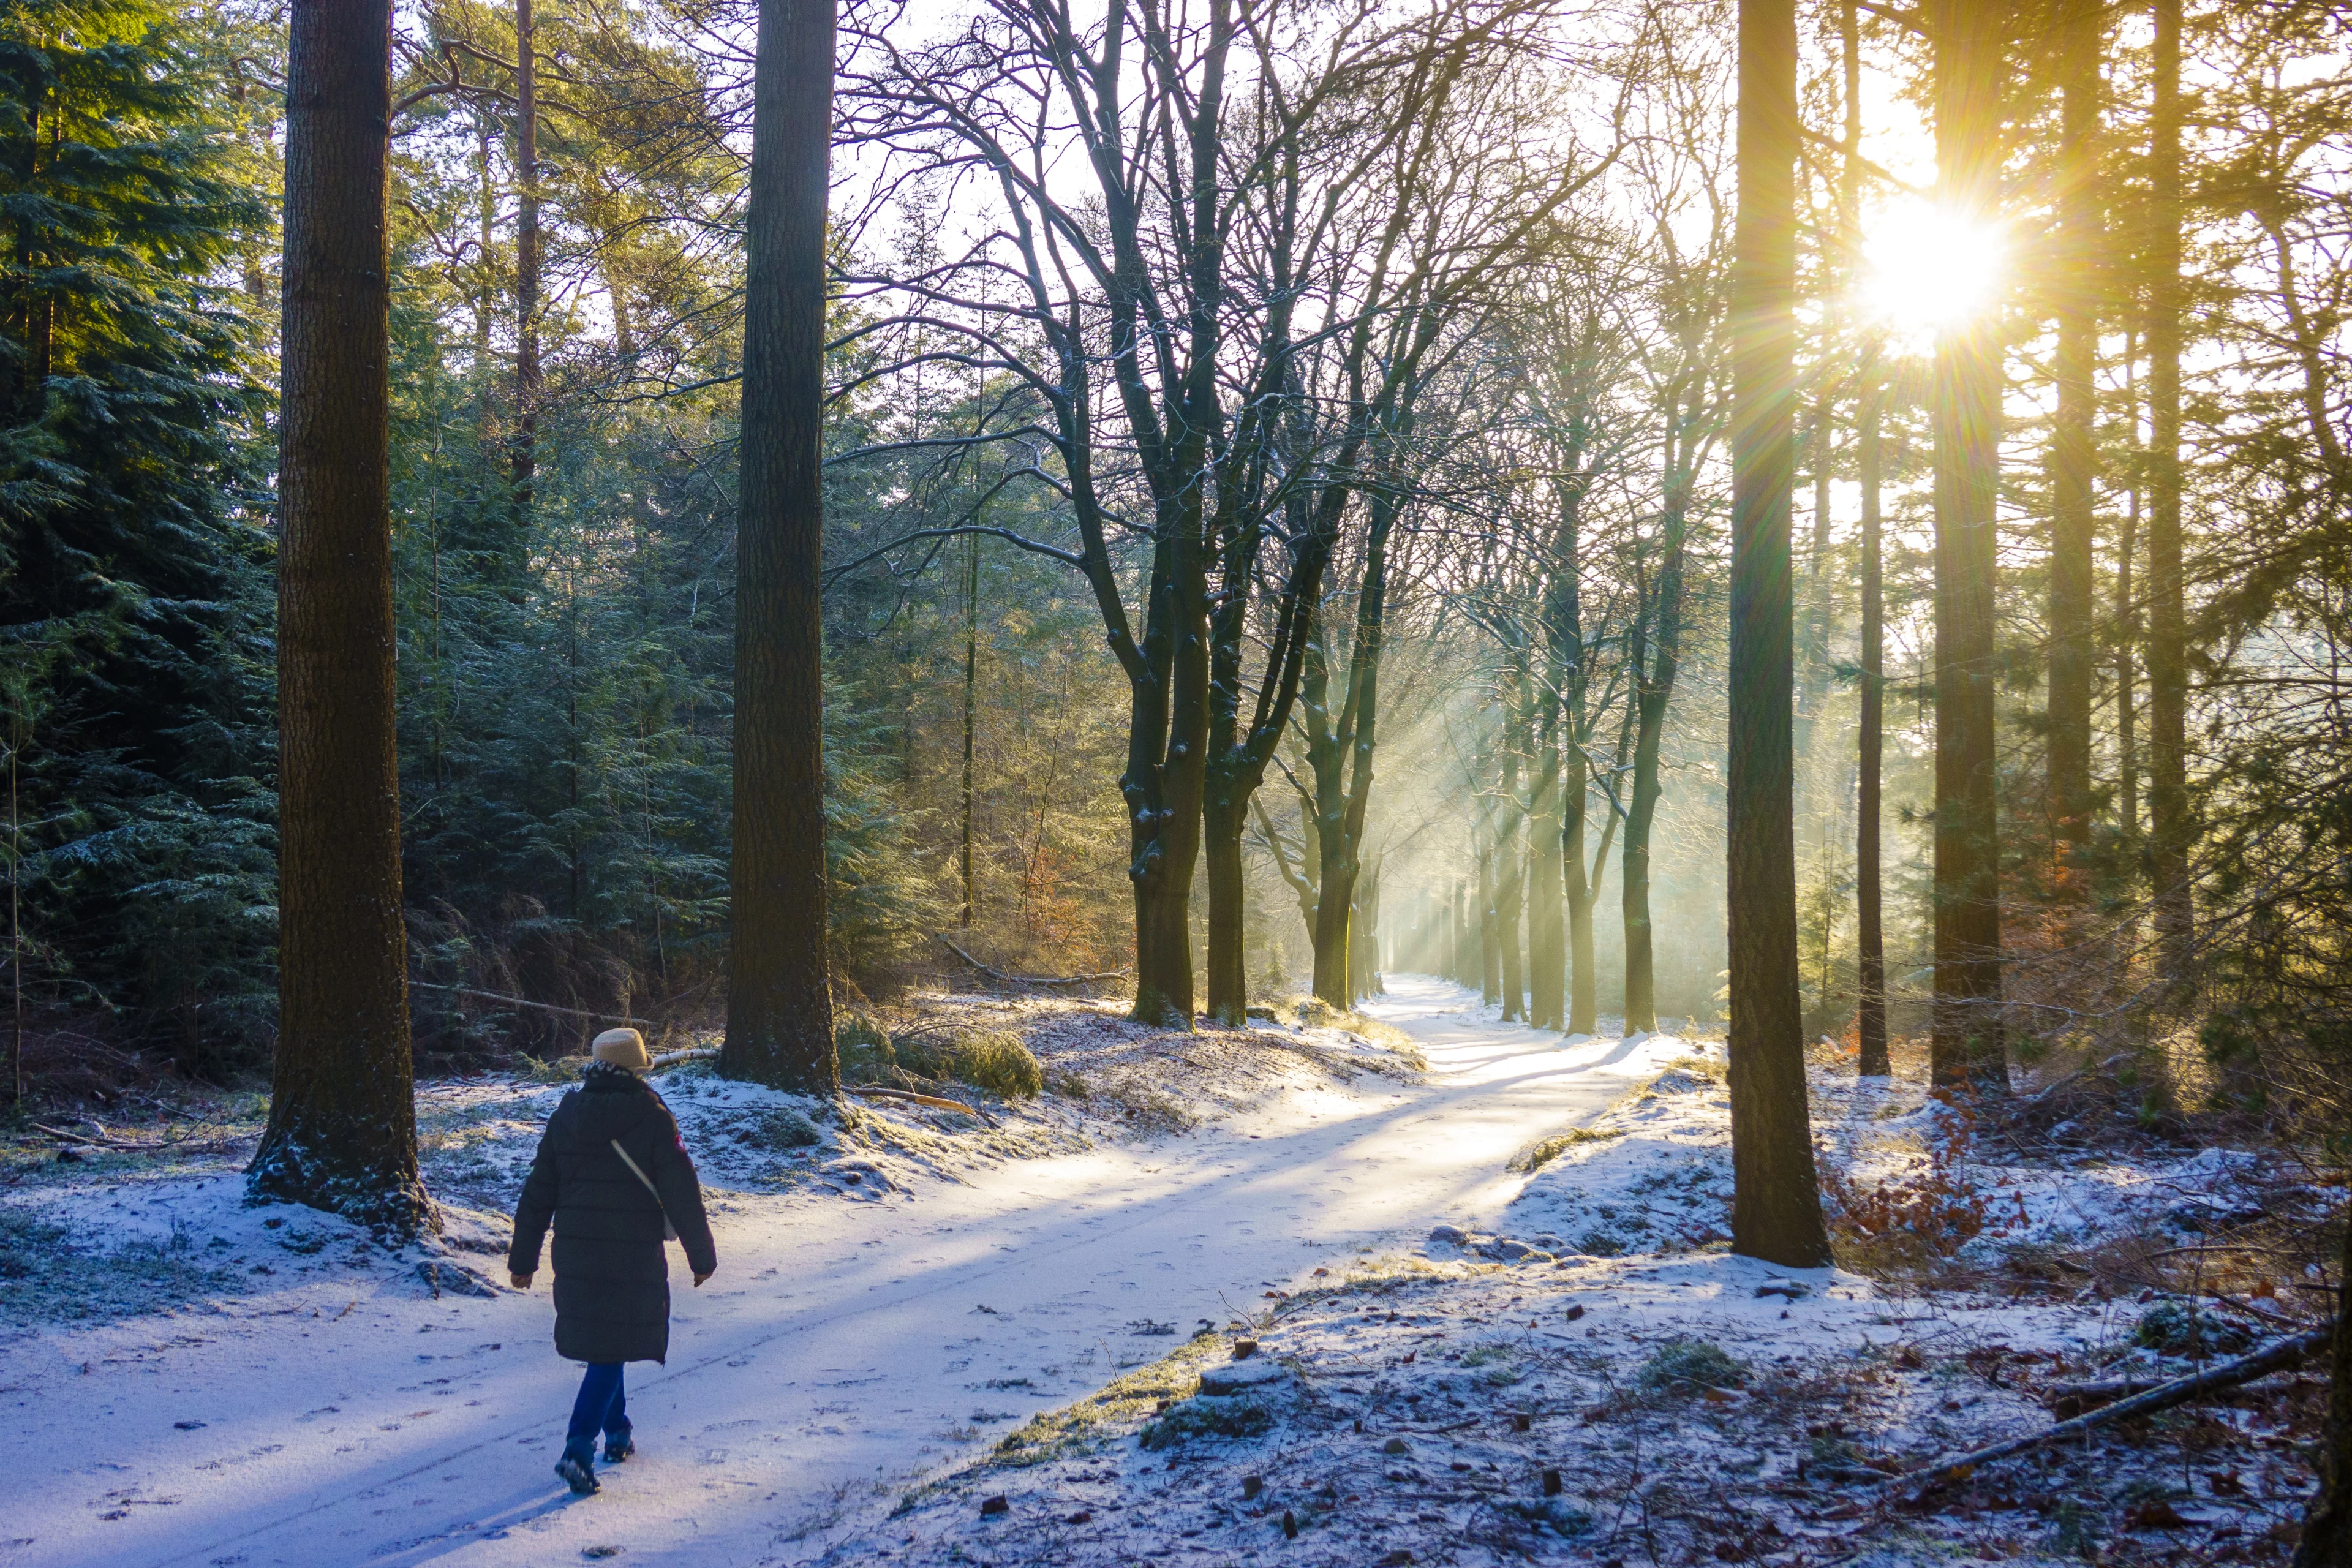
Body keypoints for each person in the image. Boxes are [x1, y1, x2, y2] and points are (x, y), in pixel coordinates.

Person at [508, 1027, 718, 1495]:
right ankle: (578, 1447)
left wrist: (523, 1259)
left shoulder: (565, 1117)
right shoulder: (653, 1117)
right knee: (611, 1346)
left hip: (576, 1251)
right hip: (632, 1253)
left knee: (608, 1342)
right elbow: (682, 1192)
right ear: (636, 1069)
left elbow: (538, 1192)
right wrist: (701, 1257)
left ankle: (618, 1432)